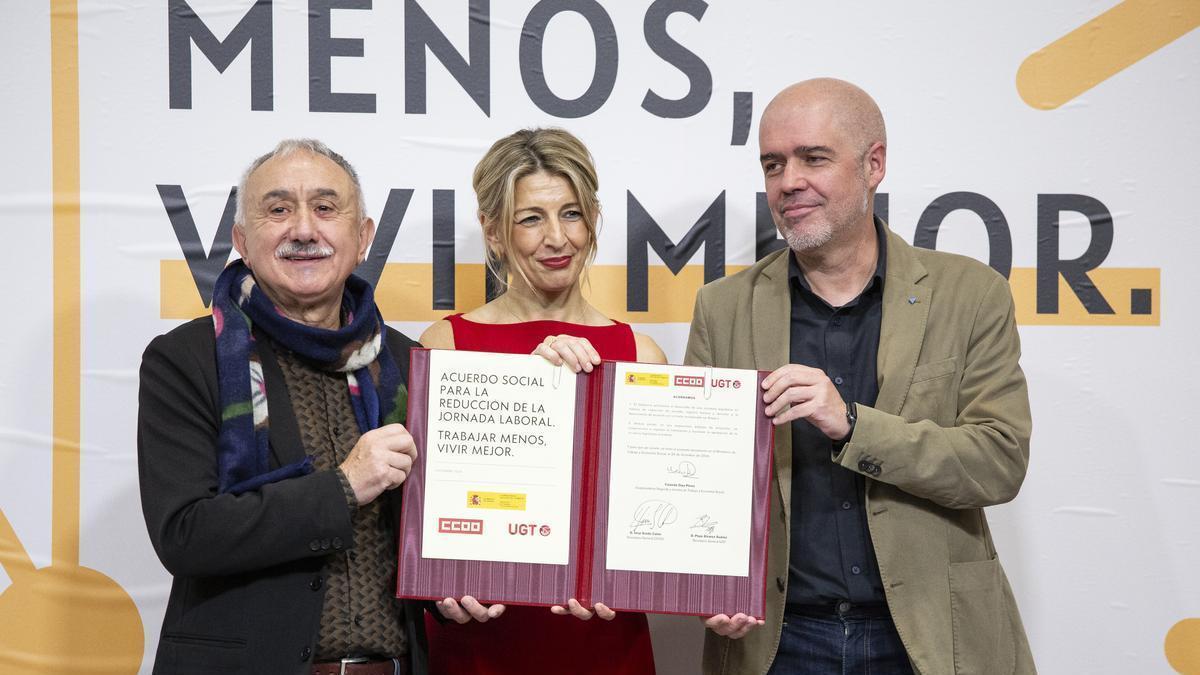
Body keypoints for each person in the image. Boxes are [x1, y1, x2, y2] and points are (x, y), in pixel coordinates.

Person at [685, 79, 1036, 674]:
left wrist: (852, 426)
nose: (788, 181)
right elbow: (695, 475)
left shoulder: (971, 294)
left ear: (874, 164)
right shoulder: (722, 308)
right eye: (773, 164)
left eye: (813, 157)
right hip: (777, 643)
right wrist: (704, 583)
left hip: (929, 638)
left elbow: (999, 461)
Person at [138, 139, 427, 674]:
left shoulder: (408, 363)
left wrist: (459, 590)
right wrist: (342, 487)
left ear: (363, 237)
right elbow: (185, 533)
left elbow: (434, 529)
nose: (303, 229)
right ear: (242, 242)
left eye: (325, 207)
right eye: (278, 210)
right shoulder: (187, 359)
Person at [419, 127, 666, 674]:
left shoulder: (640, 354)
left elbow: (655, 513)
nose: (557, 238)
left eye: (571, 214)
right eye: (531, 218)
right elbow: (420, 513)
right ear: (494, 231)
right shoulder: (447, 345)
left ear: (593, 219)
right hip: (482, 638)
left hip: (604, 637)